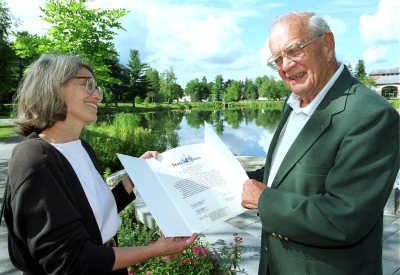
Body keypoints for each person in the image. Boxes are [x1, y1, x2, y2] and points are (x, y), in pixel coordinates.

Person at [3, 54, 197, 275]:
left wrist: (133, 177)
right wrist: (155, 249)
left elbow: (93, 215)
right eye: (88, 85)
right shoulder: (35, 158)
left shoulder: (82, 147)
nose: (97, 96)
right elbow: (70, 261)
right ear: (54, 87)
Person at [241, 11, 399, 275]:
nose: (285, 66)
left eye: (293, 50)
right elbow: (281, 174)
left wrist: (264, 200)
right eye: (277, 59)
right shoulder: (293, 104)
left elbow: (344, 218)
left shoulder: (371, 115)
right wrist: (213, 175)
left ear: (327, 45)